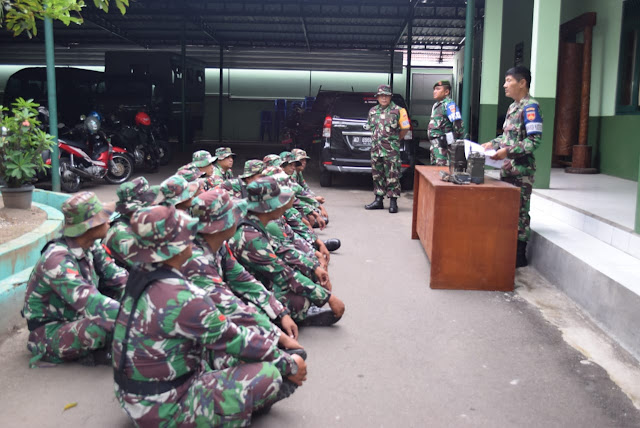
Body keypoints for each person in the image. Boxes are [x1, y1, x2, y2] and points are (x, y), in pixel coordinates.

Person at [112, 205, 307, 426]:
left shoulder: (142, 273)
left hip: (135, 394)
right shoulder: (182, 296)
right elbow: (234, 338)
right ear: (176, 246)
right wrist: (289, 364)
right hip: (163, 409)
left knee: (234, 356)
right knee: (269, 374)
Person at [22, 192, 128, 367]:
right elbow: (93, 304)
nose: (108, 220)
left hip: (76, 317)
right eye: (102, 217)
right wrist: (145, 319)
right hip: (49, 332)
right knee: (102, 327)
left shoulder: (92, 246)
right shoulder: (56, 261)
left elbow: (119, 278)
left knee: (126, 304)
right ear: (88, 226)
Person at [228, 177, 345, 325]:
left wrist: (313, 267)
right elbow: (283, 274)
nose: (283, 206)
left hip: (258, 279)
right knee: (297, 301)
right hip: (243, 292)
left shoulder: (254, 220)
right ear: (269, 207)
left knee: (306, 273)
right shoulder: (250, 236)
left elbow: (281, 248)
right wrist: (327, 297)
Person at [482, 66, 542, 268]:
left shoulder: (530, 107)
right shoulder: (512, 107)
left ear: (522, 82)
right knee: (508, 210)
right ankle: (507, 249)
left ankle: (520, 255)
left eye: (509, 80)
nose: (504, 85)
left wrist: (507, 151)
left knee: (520, 212)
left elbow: (534, 142)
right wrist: (493, 144)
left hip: (522, 170)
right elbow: (507, 136)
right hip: (507, 168)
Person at [365, 84, 411, 213]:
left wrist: (395, 140)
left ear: (390, 97)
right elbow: (370, 128)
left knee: (392, 175)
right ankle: (378, 200)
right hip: (376, 150)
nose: (384, 98)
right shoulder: (373, 111)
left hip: (391, 150)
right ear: (377, 97)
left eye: (386, 95)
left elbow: (405, 128)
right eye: (381, 96)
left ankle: (393, 202)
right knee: (377, 175)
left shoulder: (399, 110)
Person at [103, 177, 163, 269]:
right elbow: (150, 265)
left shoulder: (139, 223)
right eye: (149, 201)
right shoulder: (121, 233)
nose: (154, 203)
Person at [428, 80, 465, 166]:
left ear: (446, 92)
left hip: (443, 146)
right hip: (435, 146)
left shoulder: (449, 104)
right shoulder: (437, 105)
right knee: (433, 172)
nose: (435, 91)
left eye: (438, 89)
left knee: (441, 170)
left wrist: (452, 140)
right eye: (434, 89)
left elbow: (459, 125)